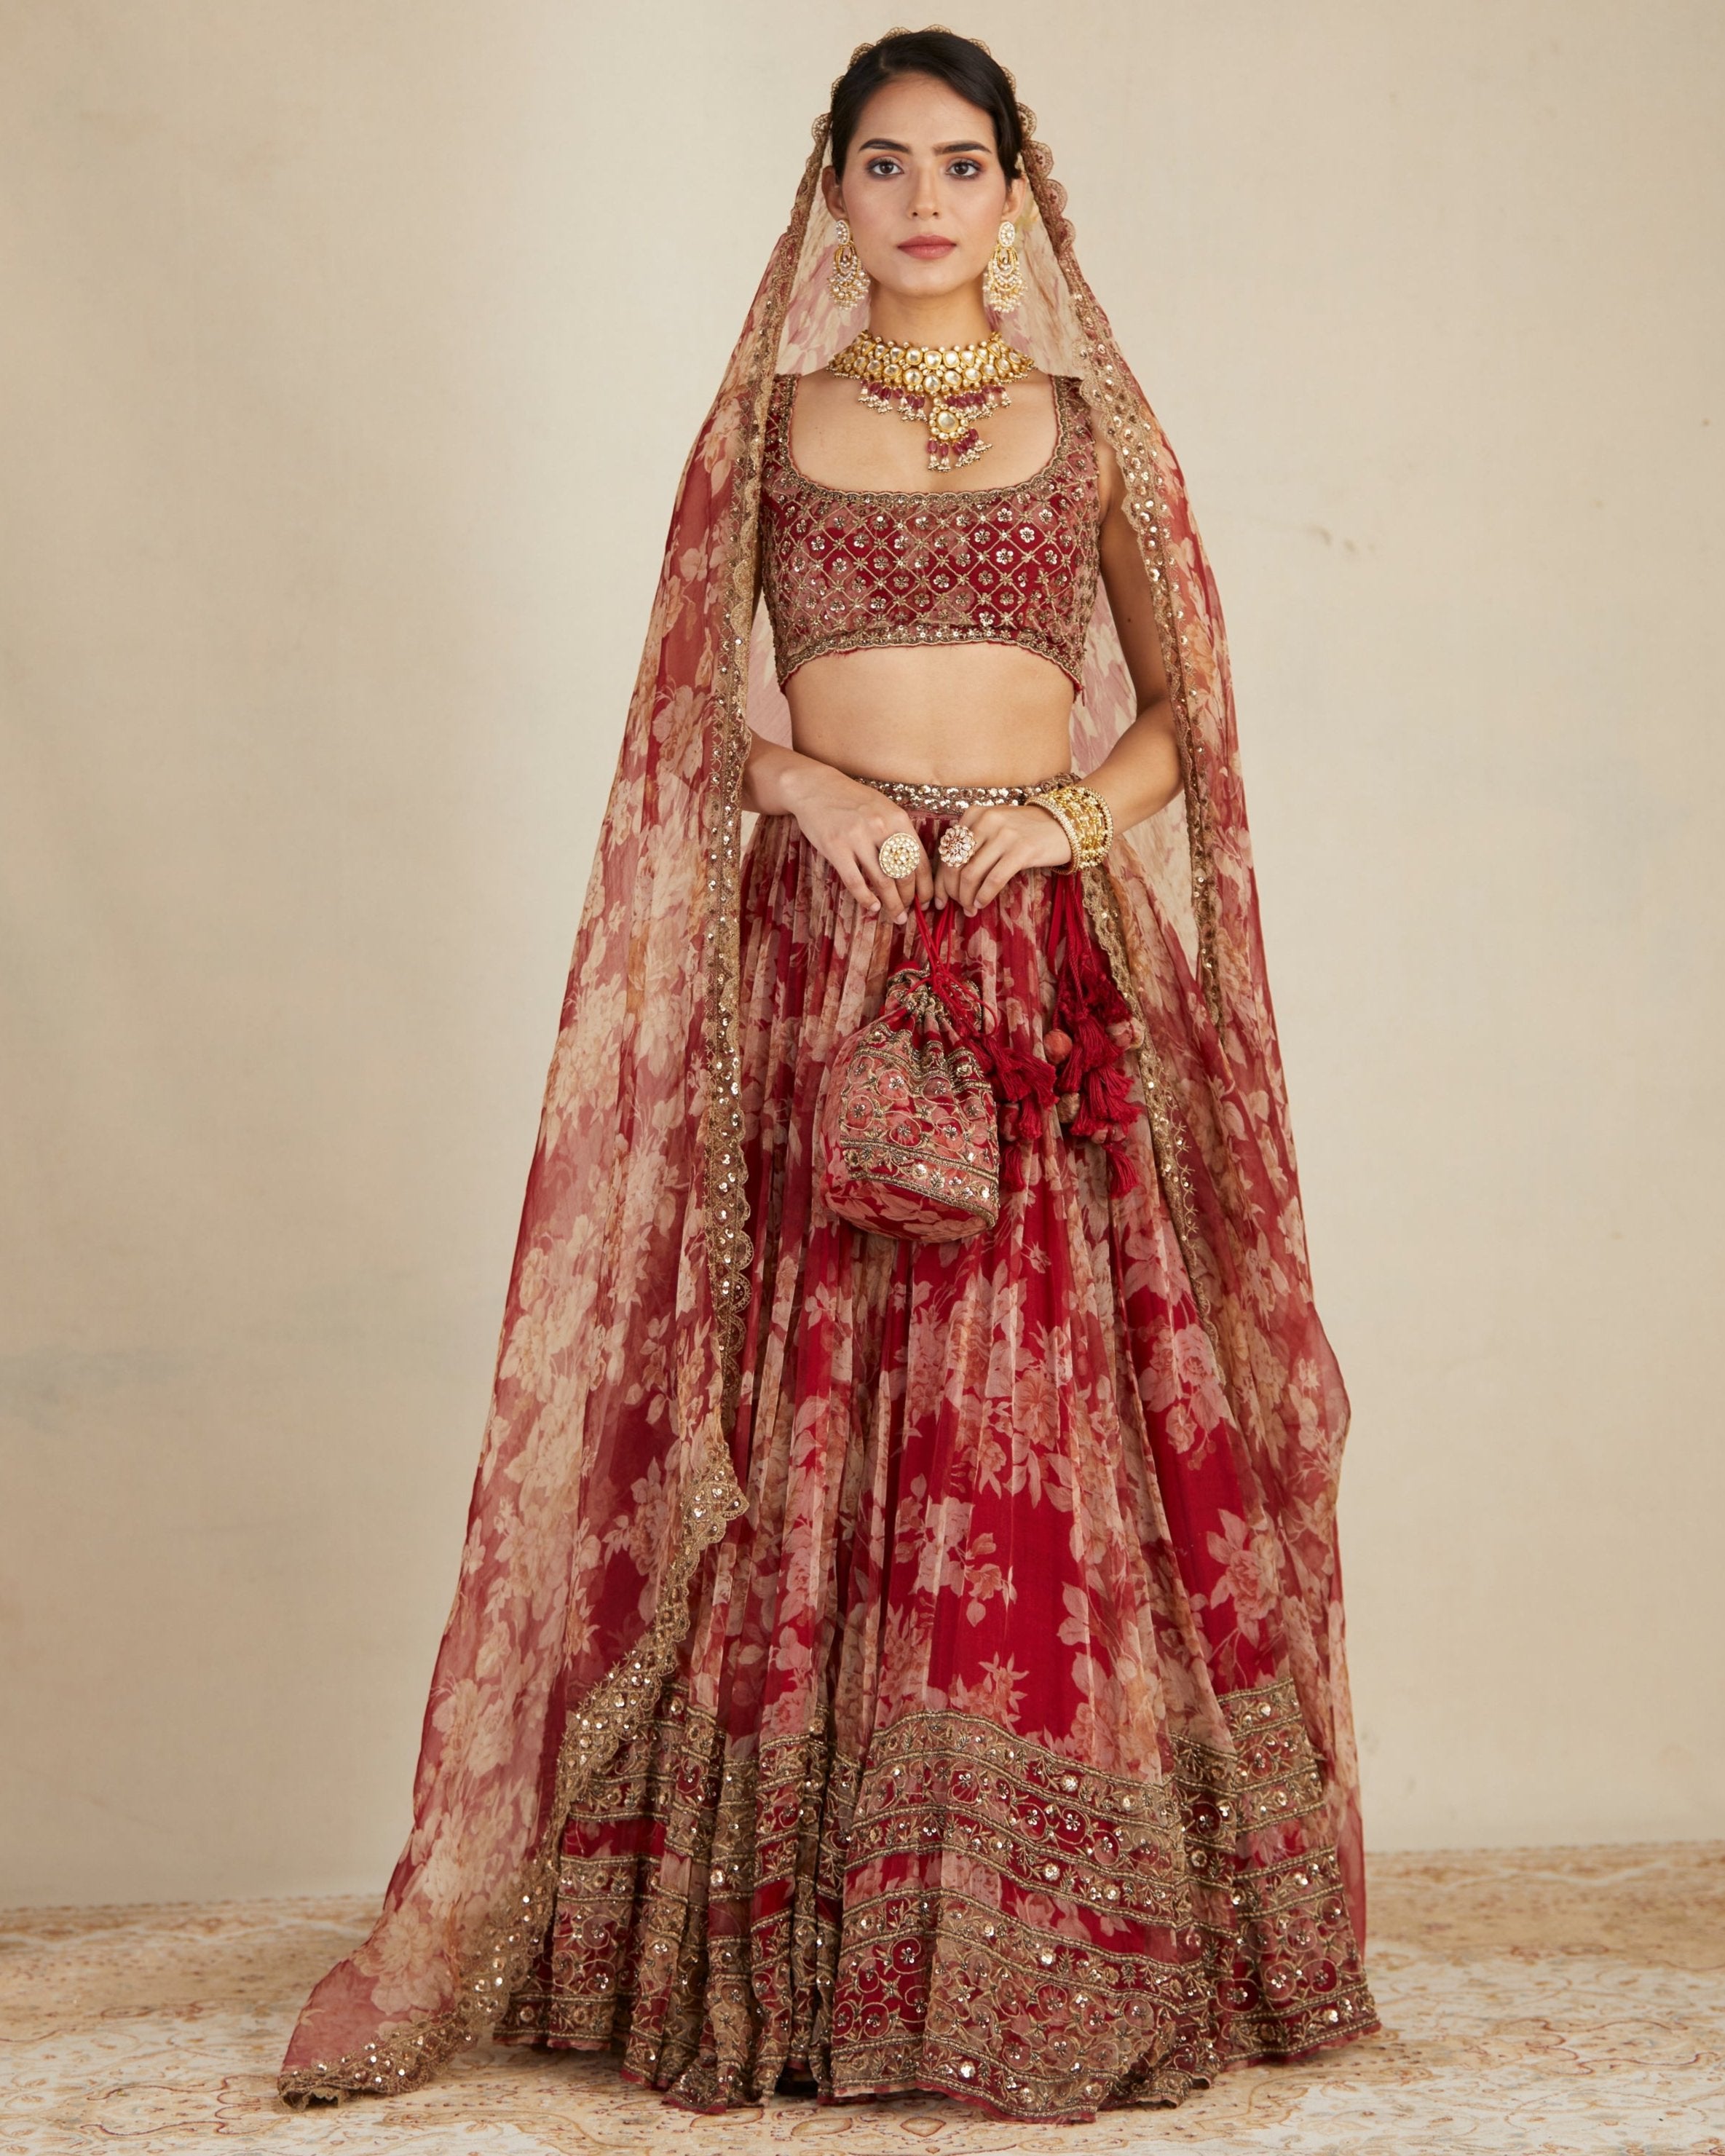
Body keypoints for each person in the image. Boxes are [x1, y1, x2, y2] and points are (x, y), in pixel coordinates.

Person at [280, 28, 1378, 2125]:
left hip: (1041, 968)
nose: (924, 200)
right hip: (824, 963)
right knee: (805, 1411)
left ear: (1019, 191)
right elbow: (684, 713)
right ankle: (802, 1943)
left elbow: (1186, 713)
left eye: (961, 163)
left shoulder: (1089, 434)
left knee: (1039, 1421)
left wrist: (1060, 821)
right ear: (832, 191)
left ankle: (1024, 1943)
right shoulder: (768, 433)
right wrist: (808, 789)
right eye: (885, 164)